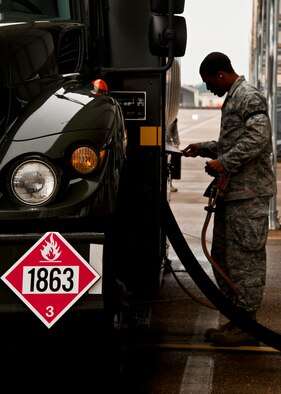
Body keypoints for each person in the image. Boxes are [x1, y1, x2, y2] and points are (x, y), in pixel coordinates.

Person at [181, 52, 277, 346]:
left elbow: (260, 138)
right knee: (223, 257)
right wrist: (205, 148)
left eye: (210, 83)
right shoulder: (234, 98)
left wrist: (226, 163)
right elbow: (233, 142)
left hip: (249, 196)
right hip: (233, 195)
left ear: (222, 74)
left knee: (245, 262)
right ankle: (235, 320)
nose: (209, 89)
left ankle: (247, 327)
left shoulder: (248, 97)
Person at [166, 118, 180, 192]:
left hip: (168, 146)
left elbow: (174, 133)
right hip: (160, 145)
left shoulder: (172, 118)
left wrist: (176, 145)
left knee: (170, 167)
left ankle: (170, 184)